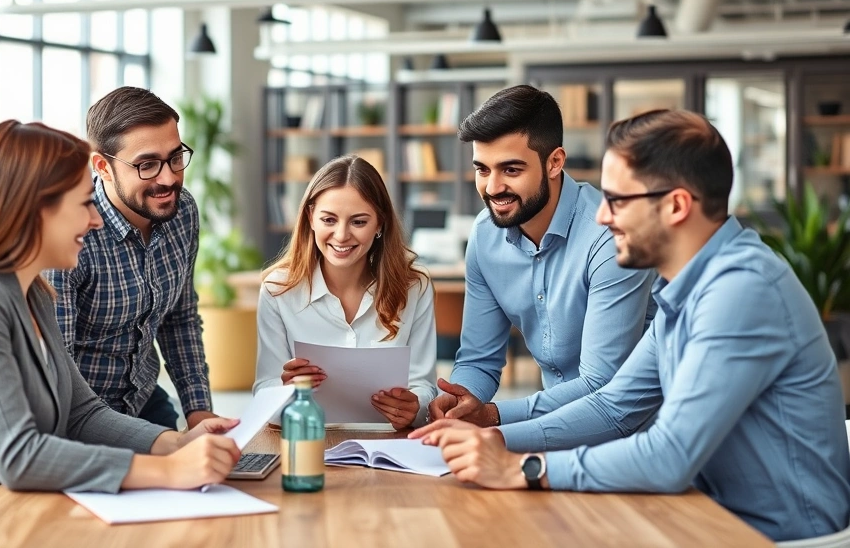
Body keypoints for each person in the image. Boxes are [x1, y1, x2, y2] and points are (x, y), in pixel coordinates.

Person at [411, 109, 850, 543]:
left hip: (778, 537)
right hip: (706, 513)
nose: (602, 216)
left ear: (676, 205)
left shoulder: (741, 290)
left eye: (618, 200)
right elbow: (614, 407)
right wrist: (492, 438)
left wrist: (523, 466)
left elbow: (670, 455)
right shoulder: (686, 288)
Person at [0, 121, 241, 546]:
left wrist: (175, 443)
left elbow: (81, 414)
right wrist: (167, 471)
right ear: (34, 210)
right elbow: (18, 455)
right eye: (85, 204)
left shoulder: (33, 291)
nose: (95, 221)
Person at [429, 85, 656, 427]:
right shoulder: (485, 235)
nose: (492, 188)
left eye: (511, 170)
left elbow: (601, 385)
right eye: (483, 169)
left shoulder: (609, 237)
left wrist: (492, 416)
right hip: (552, 431)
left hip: (635, 435)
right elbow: (478, 361)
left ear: (554, 162)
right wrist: (460, 398)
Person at [46, 86, 216, 431]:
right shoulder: (70, 234)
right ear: (103, 167)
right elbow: (58, 368)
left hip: (143, 398)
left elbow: (179, 319)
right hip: (79, 417)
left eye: (175, 157)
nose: (169, 178)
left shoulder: (182, 211)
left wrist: (199, 412)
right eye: (147, 165)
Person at [253, 155, 437, 429]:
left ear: (380, 224)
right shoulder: (278, 290)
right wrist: (285, 395)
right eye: (328, 219)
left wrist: (415, 407)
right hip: (311, 440)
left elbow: (424, 387)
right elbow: (264, 393)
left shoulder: (414, 288)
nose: (341, 235)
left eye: (358, 222)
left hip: (388, 447)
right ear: (310, 218)